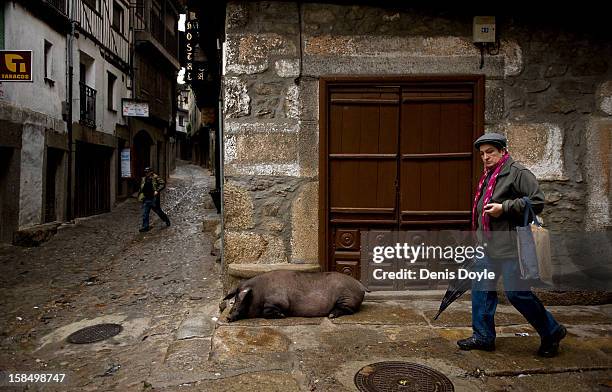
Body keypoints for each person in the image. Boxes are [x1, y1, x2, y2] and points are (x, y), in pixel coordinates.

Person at [457, 133, 566, 357]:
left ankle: (552, 331)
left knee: (517, 294)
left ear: (503, 151)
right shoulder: (490, 175)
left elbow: (537, 201)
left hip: (511, 247)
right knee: (481, 290)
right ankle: (483, 336)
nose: (485, 157)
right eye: (482, 154)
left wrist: (504, 208)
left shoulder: (517, 173)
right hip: (488, 245)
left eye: (490, 152)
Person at [138, 167, 170, 232]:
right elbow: (142, 187)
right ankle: (145, 226)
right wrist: (141, 195)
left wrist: (157, 190)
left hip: (154, 199)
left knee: (158, 211)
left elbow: (162, 184)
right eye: (146, 172)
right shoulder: (144, 179)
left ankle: (166, 220)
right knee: (145, 213)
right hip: (146, 198)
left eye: (147, 172)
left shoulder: (155, 178)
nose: (146, 173)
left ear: (151, 172)